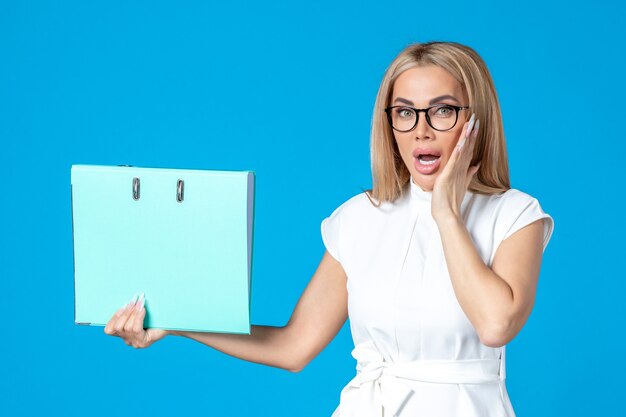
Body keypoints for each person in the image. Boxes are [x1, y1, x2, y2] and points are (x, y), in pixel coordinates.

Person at [104, 41, 554, 417]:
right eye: (404, 113)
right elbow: (292, 347)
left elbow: (496, 324)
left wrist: (446, 214)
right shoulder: (359, 217)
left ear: (476, 120)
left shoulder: (515, 215)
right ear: (389, 123)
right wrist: (176, 322)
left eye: (442, 111)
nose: (421, 131)